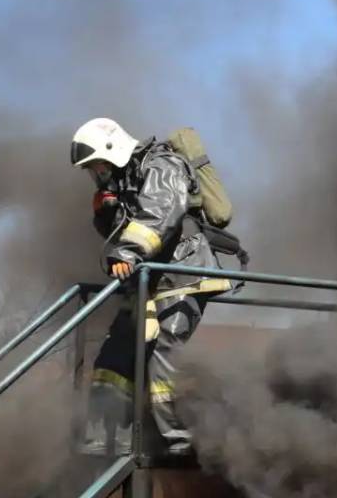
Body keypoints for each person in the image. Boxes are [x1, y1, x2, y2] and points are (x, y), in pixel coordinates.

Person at [70, 117, 232, 453]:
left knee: (163, 348)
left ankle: (173, 438)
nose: (96, 176)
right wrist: (107, 212)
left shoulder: (162, 165)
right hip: (150, 280)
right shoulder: (124, 182)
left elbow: (160, 214)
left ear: (113, 153)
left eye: (97, 167)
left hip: (185, 275)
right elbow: (119, 235)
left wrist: (128, 253)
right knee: (116, 352)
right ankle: (105, 433)